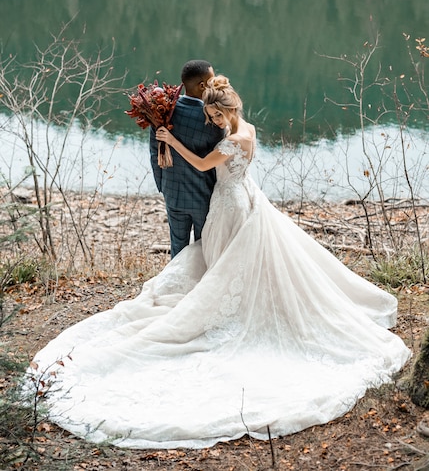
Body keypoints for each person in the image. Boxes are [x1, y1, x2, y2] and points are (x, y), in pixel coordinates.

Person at [25, 75, 410, 451]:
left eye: (215, 118)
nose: (213, 123)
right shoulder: (250, 128)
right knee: (231, 263)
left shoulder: (233, 140)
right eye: (211, 118)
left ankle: (235, 309)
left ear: (228, 110)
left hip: (230, 205)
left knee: (227, 263)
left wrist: (171, 139)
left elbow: (203, 164)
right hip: (241, 197)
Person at [150, 60, 224, 258]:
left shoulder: (162, 110)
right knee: (204, 249)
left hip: (173, 192)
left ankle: (175, 286)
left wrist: (163, 186)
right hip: (203, 196)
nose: (215, 82)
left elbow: (154, 151)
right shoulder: (213, 119)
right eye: (212, 79)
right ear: (202, 86)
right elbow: (219, 160)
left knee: (178, 250)